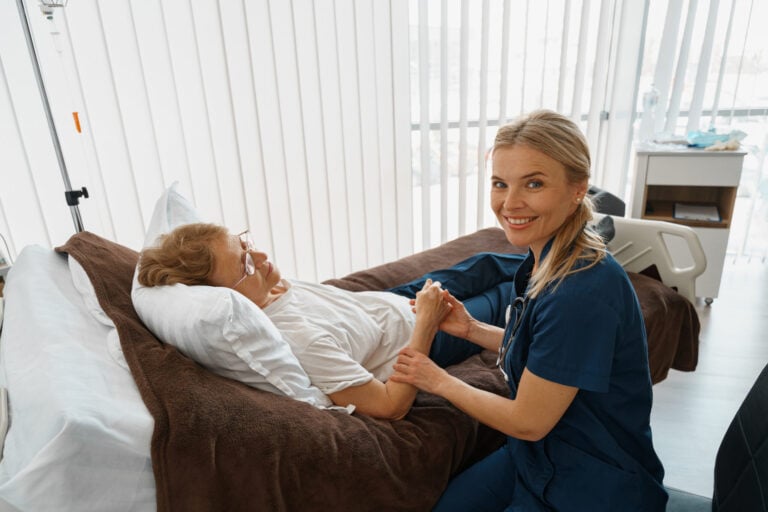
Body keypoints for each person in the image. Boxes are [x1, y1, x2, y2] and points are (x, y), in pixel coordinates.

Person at [390, 109, 668, 510]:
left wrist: (437, 380)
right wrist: (471, 329)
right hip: (536, 458)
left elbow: (529, 421)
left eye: (534, 184)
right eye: (500, 184)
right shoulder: (543, 261)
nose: (510, 203)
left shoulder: (582, 290)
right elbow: (549, 355)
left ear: (578, 189)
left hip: (592, 482)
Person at [137, 222, 524, 420]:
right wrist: (426, 322)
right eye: (245, 264)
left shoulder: (268, 288)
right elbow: (391, 406)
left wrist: (413, 304)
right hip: (428, 333)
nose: (261, 257)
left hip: (397, 301)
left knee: (488, 262)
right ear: (226, 296)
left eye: (246, 244)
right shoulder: (298, 342)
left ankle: (561, 259)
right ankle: (568, 281)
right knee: (512, 296)